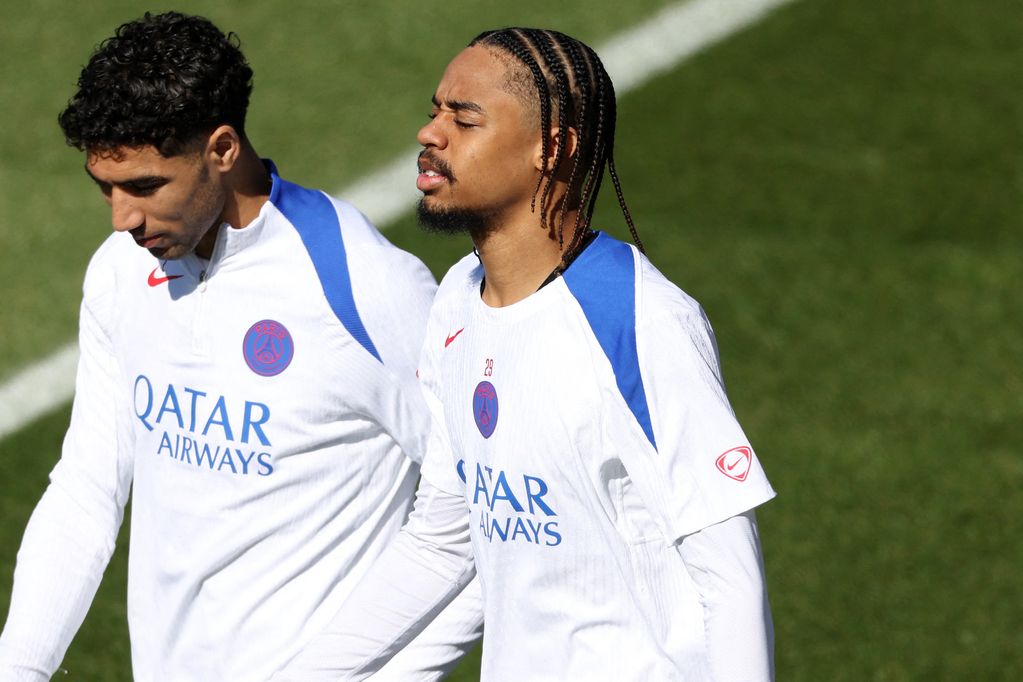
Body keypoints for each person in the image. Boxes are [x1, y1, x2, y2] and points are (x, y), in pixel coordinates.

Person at [277, 27, 777, 681]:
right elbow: (441, 541)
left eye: (464, 119)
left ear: (552, 148)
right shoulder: (458, 299)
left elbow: (730, 581)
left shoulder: (637, 321)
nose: (431, 134)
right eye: (435, 111)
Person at [0, 12, 482, 681]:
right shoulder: (119, 270)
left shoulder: (368, 289)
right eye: (104, 188)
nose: (121, 218)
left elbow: (485, 518)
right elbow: (87, 490)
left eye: (144, 187)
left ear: (222, 150)